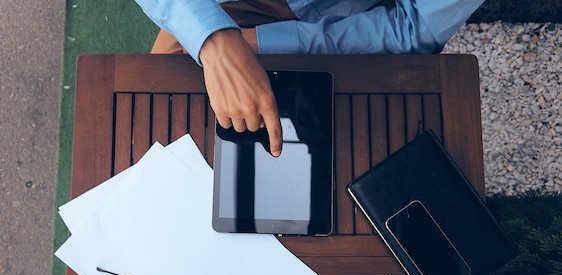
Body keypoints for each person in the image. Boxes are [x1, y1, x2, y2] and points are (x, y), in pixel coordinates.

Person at [135, 0, 484, 157]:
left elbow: (413, 28)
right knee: (157, 145)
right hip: (213, 7)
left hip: (333, 31)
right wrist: (216, 39)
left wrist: (269, 41)